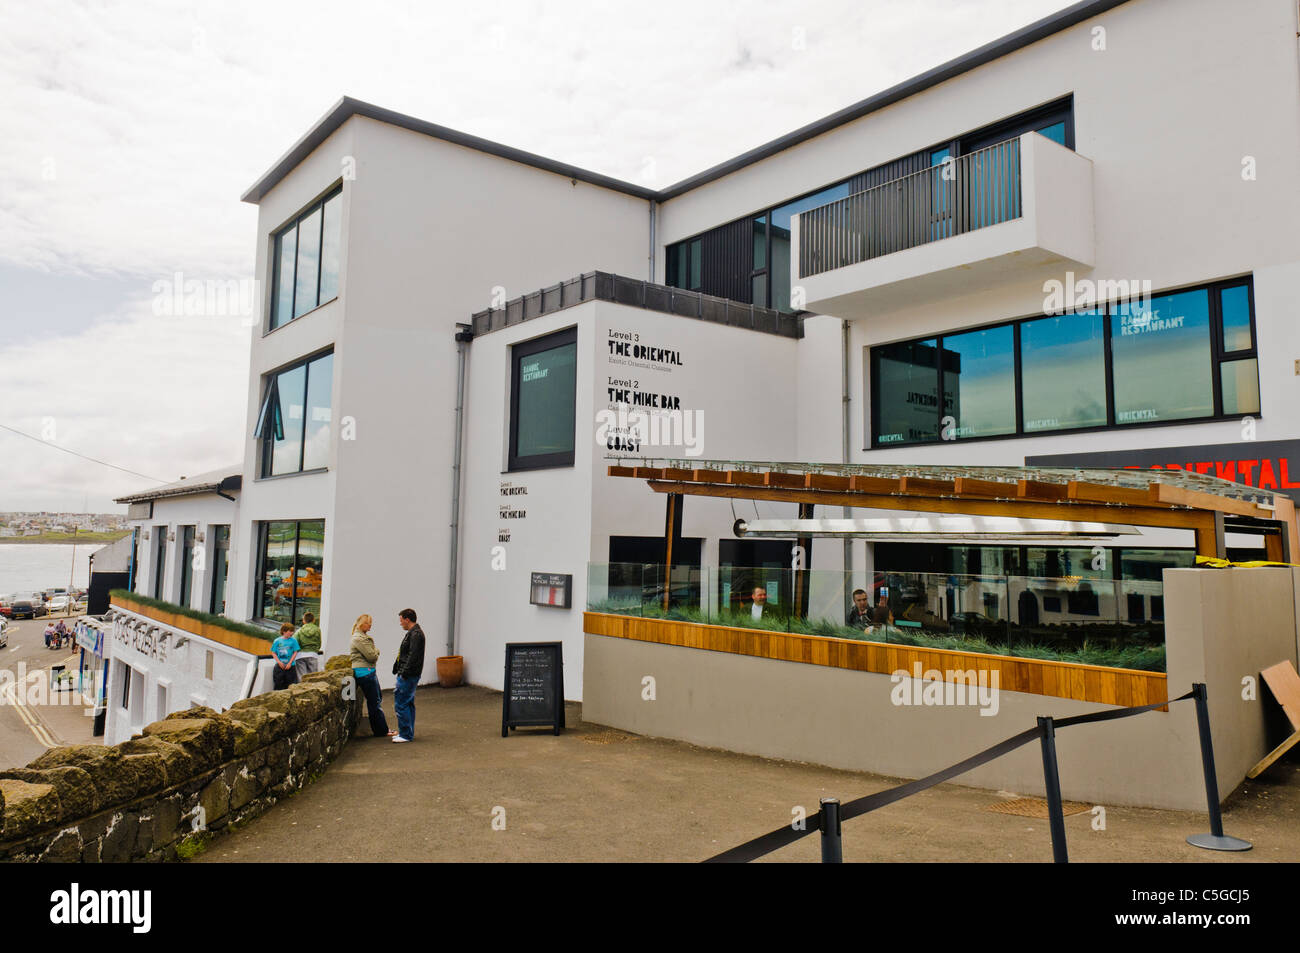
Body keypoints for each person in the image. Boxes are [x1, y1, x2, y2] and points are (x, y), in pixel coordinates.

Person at [350, 614, 395, 738]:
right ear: (362, 624)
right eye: (368, 623)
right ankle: (381, 731)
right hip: (366, 672)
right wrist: (377, 651)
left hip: (366, 671)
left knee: (375, 701)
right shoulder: (359, 638)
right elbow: (372, 656)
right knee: (375, 702)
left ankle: (381, 729)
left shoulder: (361, 637)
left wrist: (374, 651)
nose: (370, 625)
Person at [391, 608, 425, 743]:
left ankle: (405, 734)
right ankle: (407, 732)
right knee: (408, 703)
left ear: (407, 619)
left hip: (408, 675)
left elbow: (412, 656)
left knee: (401, 703)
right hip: (410, 673)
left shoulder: (415, 634)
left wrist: (403, 671)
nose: (400, 623)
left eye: (401, 620)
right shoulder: (414, 633)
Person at [271, 622, 301, 690]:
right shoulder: (277, 641)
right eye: (290, 631)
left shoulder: (294, 640)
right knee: (278, 685)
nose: (292, 633)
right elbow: (273, 653)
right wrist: (279, 662)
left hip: (290, 667)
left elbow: (295, 652)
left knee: (290, 686)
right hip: (279, 667)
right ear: (284, 631)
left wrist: (290, 663)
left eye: (292, 631)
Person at [294, 611, 323, 679]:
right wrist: (315, 650)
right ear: (313, 620)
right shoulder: (317, 630)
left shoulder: (299, 631)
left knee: (302, 678)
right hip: (313, 654)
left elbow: (295, 643)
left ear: (304, 621)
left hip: (300, 656)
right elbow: (319, 643)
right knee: (313, 678)